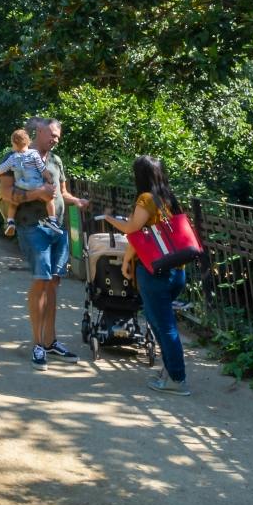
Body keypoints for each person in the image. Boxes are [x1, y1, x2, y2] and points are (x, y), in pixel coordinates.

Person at [99, 155, 191, 394]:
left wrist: (109, 219)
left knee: (165, 326)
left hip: (155, 272)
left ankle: (177, 379)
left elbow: (131, 230)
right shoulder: (168, 198)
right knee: (157, 322)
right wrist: (128, 258)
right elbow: (144, 236)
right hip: (176, 270)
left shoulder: (146, 199)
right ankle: (169, 371)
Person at [8, 116, 86, 366]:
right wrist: (36, 194)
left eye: (58, 137)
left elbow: (61, 192)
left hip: (57, 229)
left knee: (53, 282)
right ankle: (37, 343)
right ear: (38, 131)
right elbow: (8, 193)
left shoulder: (55, 160)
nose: (55, 139)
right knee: (42, 280)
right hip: (32, 227)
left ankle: (51, 342)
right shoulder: (17, 157)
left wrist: (75, 201)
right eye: (51, 134)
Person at [0, 127, 32, 238]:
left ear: (14, 143)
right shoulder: (34, 154)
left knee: (13, 202)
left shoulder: (12, 157)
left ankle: (10, 221)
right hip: (33, 185)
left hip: (19, 187)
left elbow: (0, 170)